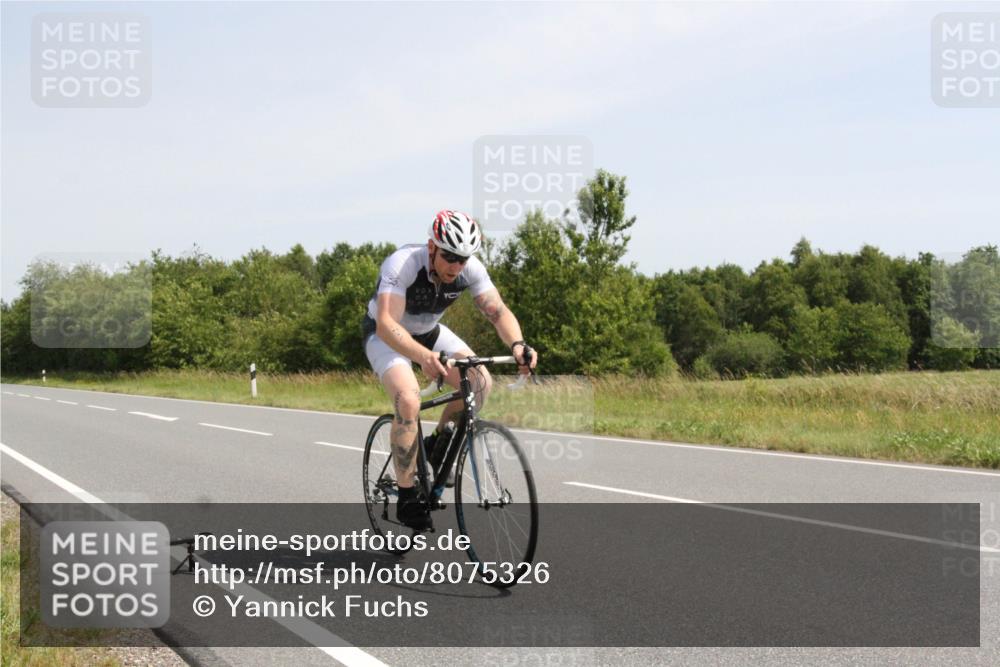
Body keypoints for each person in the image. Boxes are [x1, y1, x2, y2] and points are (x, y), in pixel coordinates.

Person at [361, 210, 537, 529]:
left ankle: (437, 444)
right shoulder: (402, 264)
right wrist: (425, 357)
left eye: (463, 258)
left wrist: (518, 345)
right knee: (408, 399)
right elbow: (387, 324)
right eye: (450, 256)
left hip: (429, 330)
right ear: (432, 248)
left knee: (480, 382)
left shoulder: (469, 269)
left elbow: (498, 313)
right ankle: (406, 494)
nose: (456, 266)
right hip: (385, 334)